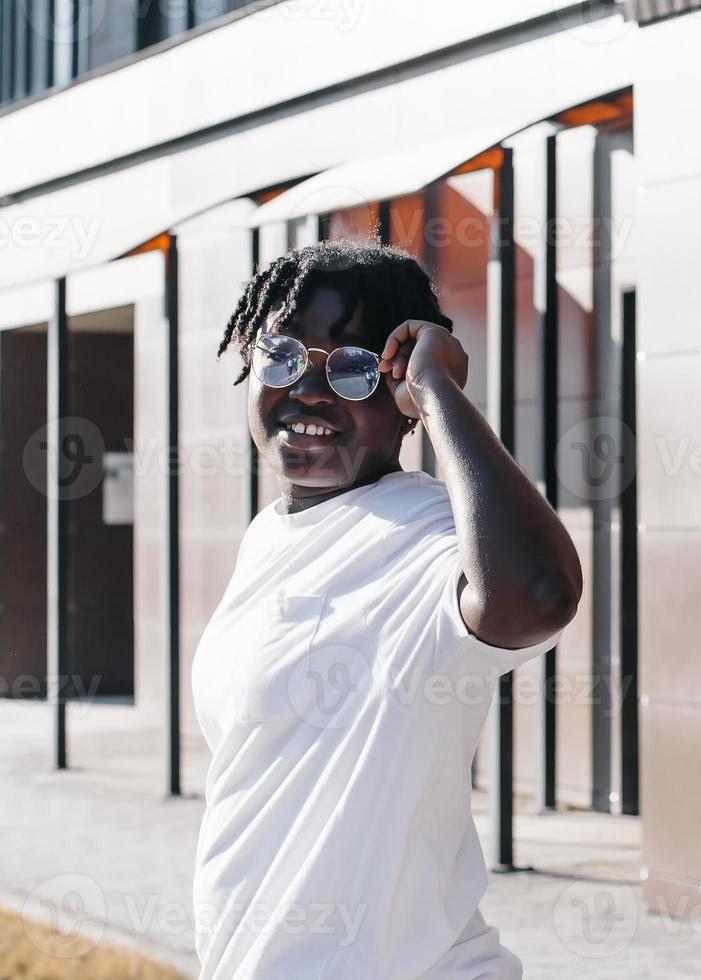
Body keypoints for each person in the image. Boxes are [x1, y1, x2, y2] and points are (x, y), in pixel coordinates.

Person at [190, 239, 583, 979]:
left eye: (352, 368)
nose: (308, 390)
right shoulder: (273, 533)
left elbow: (537, 597)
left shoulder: (426, 536)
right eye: (280, 357)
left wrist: (442, 397)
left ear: (400, 398)